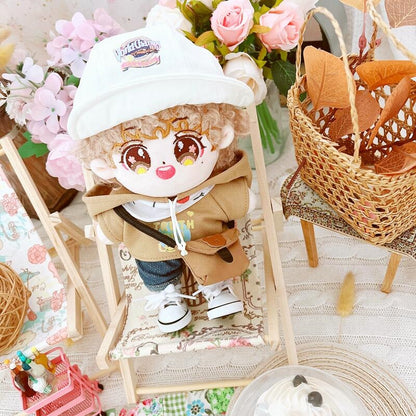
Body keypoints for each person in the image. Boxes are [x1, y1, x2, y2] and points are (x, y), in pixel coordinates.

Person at [68, 24, 256, 333]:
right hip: (152, 249)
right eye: (137, 157)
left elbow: (240, 200)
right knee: (153, 266)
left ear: (220, 135)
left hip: (206, 245)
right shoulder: (128, 208)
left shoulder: (213, 191)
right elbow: (111, 228)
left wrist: (246, 199)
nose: (164, 168)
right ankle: (167, 295)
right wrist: (106, 230)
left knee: (212, 254)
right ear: (105, 166)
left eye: (186, 147)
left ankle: (217, 287)